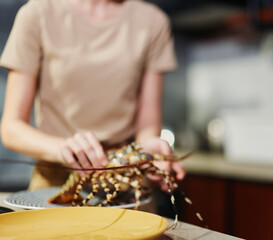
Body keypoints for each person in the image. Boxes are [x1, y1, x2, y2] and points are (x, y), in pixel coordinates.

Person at [0, 0, 185, 194]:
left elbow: (148, 123)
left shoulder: (153, 21)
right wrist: (63, 148)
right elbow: (11, 129)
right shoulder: (37, 13)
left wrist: (147, 147)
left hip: (123, 175)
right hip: (55, 181)